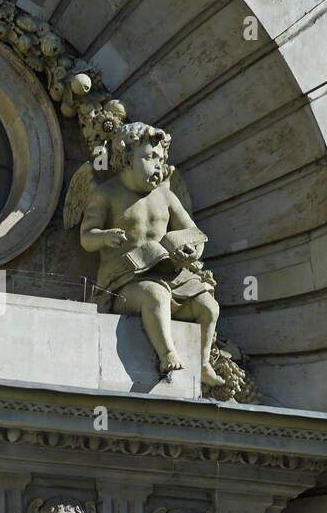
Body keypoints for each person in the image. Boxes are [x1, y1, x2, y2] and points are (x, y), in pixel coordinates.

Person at [78, 122, 225, 386]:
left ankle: (202, 364)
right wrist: (105, 236)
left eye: (160, 159)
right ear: (125, 158)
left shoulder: (166, 196)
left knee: (208, 306)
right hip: (125, 282)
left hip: (171, 275)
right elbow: (86, 238)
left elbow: (194, 233)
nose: (158, 165)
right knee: (155, 295)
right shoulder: (107, 193)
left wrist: (190, 252)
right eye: (149, 157)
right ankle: (167, 354)